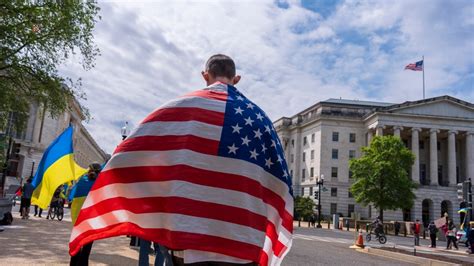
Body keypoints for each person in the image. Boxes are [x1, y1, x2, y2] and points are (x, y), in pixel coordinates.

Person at [70, 163, 102, 266]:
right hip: (91, 218)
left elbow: (73, 196)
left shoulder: (82, 180)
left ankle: (73, 263)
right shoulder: (99, 183)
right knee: (87, 245)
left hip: (78, 217)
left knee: (77, 242)